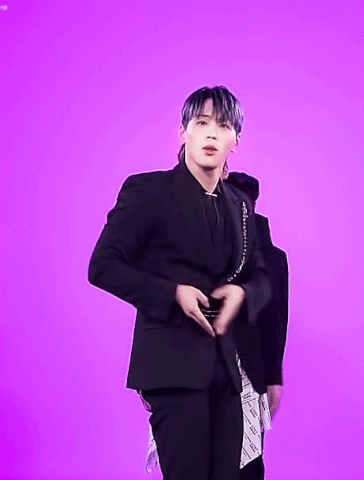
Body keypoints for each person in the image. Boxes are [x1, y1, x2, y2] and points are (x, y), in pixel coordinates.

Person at [88, 86, 271, 480]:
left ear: (235, 141)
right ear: (183, 132)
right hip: (171, 367)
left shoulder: (240, 204)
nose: (211, 133)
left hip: (226, 371)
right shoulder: (147, 191)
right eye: (201, 123)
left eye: (223, 126)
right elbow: (102, 266)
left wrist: (242, 292)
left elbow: (261, 276)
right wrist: (172, 294)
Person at [226, 172, 289, 480]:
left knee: (248, 461)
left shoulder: (273, 258)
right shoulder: (202, 246)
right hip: (201, 367)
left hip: (250, 373)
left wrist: (274, 378)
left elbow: (276, 320)